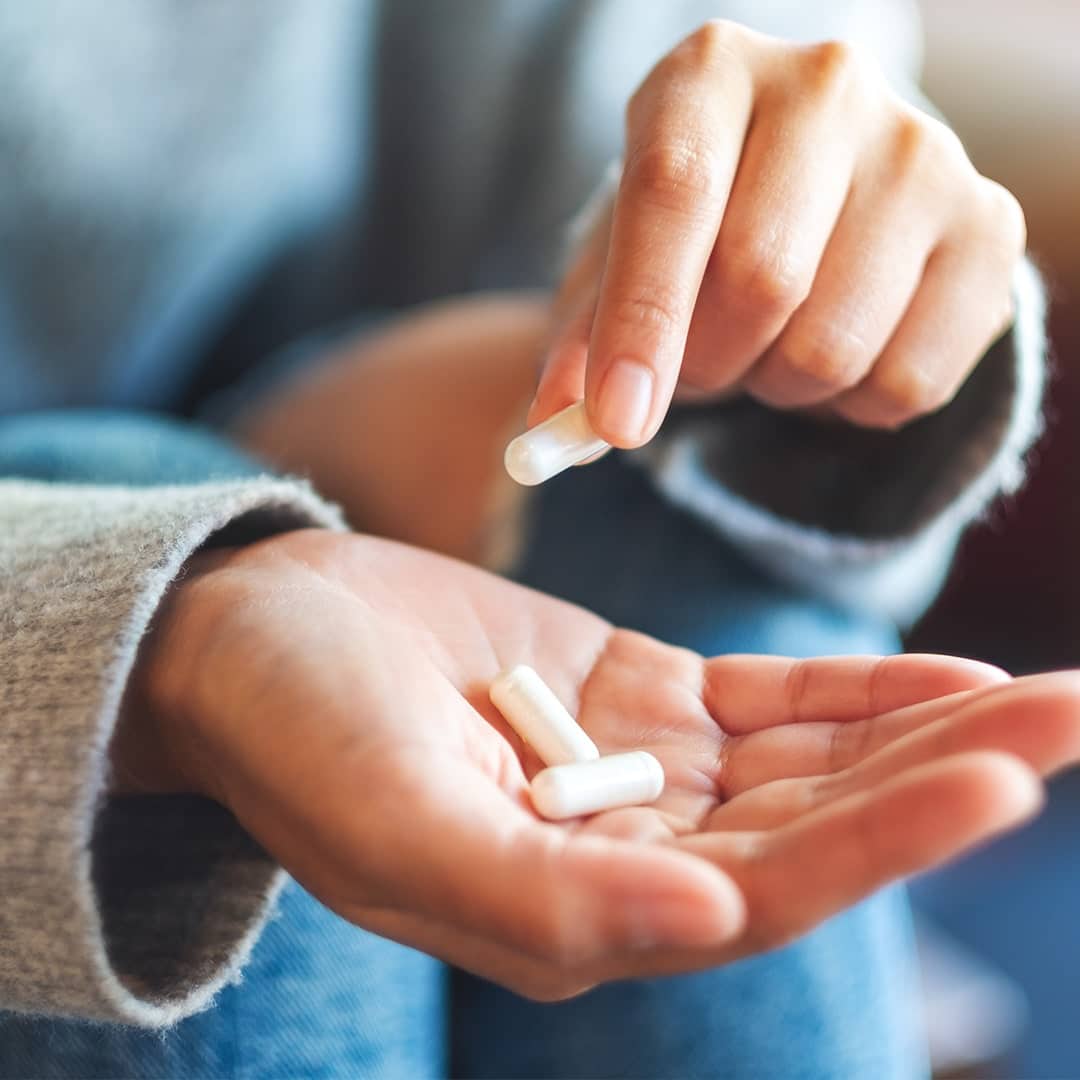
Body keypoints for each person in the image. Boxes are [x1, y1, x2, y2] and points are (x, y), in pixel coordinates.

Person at [1, 2, 1076, 1077]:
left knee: (692, 528)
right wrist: (141, 651)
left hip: (385, 441)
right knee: (160, 537)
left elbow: (726, 371)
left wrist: (830, 321)